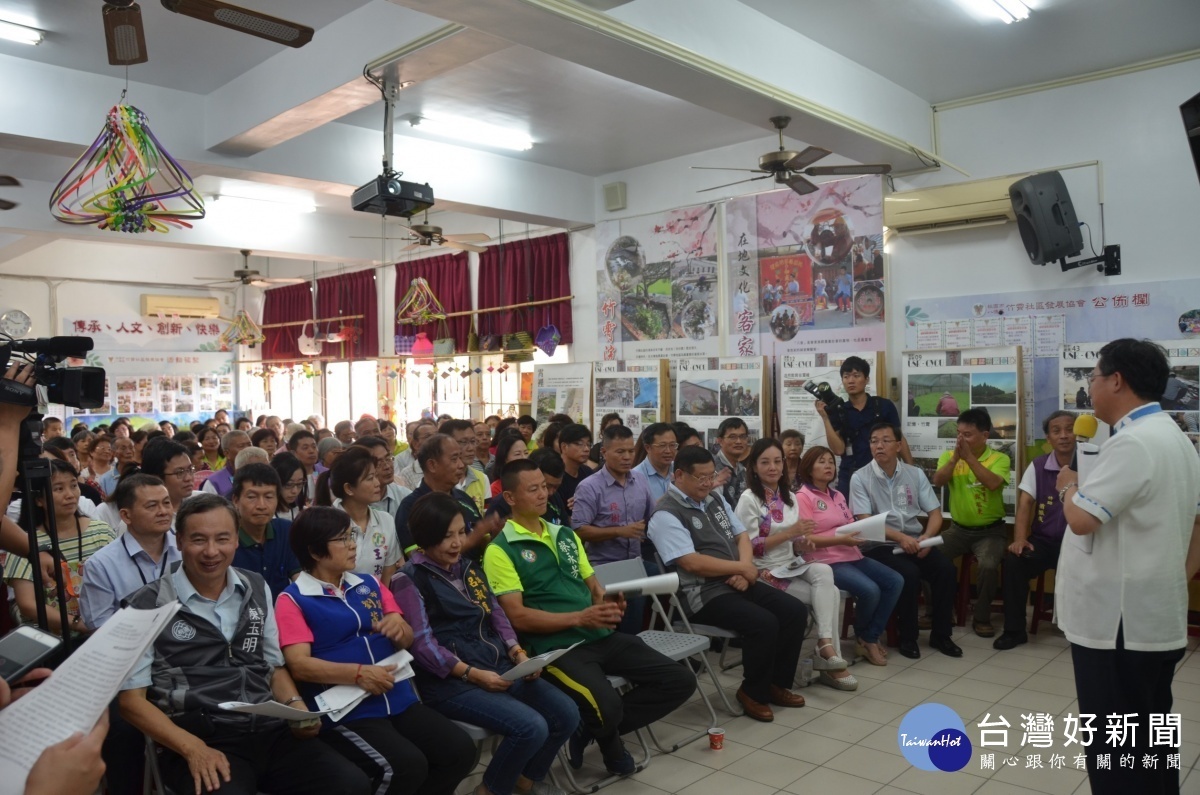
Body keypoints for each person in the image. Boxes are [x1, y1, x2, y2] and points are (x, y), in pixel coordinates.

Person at [119, 495, 370, 795]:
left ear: (236, 540)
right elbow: (131, 701)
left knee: (350, 784)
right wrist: (193, 749)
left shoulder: (255, 586)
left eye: (222, 538)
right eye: (198, 540)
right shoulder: (145, 605)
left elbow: (273, 666)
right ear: (180, 540)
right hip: (200, 736)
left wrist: (297, 708)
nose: (211, 551)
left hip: (269, 728)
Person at [1053, 339, 1200, 794]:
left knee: (1116, 752)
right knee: (1149, 741)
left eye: (1093, 378)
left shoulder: (1134, 443)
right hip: (1150, 613)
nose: (1090, 388)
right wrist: (1173, 577)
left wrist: (1067, 486)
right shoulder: (1175, 436)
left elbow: (1080, 520)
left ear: (1117, 380)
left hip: (1117, 625)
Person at [485, 460, 695, 775]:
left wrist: (607, 602)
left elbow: (594, 587)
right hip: (555, 648)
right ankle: (610, 744)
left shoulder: (564, 535)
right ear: (511, 498)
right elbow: (518, 617)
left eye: (545, 486)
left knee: (680, 680)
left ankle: (591, 729)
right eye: (533, 489)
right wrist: (581, 617)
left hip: (598, 635)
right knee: (606, 704)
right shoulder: (500, 550)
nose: (544, 494)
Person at [277, 506, 475, 795]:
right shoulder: (293, 600)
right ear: (316, 552)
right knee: (406, 765)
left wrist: (400, 628)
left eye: (351, 536)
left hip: (396, 696)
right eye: (342, 539)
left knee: (460, 751)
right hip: (347, 708)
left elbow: (406, 638)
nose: (353, 545)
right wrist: (358, 674)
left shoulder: (368, 584)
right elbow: (299, 665)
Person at [392, 493, 577, 795]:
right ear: (424, 538)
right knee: (531, 727)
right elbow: (424, 646)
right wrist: (472, 674)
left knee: (566, 713)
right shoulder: (409, 580)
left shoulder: (467, 567)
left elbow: (497, 614)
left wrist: (516, 652)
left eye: (461, 533)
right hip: (452, 682)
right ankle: (490, 789)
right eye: (446, 536)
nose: (456, 543)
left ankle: (525, 778)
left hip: (497, 666)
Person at [648, 446, 809, 721]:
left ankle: (776, 684)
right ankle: (752, 692)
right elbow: (691, 563)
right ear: (679, 475)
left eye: (711, 476)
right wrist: (743, 568)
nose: (708, 483)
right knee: (764, 622)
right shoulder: (666, 514)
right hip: (702, 593)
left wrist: (745, 571)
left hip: (738, 579)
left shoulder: (714, 499)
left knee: (794, 611)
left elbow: (742, 536)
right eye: (701, 477)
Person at [734, 439, 856, 691]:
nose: (773, 467)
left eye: (777, 461)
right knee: (831, 593)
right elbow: (749, 545)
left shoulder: (789, 496)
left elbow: (795, 540)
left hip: (790, 564)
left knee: (823, 570)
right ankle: (829, 656)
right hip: (763, 570)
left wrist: (802, 543)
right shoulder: (749, 499)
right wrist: (791, 534)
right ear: (754, 467)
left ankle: (825, 646)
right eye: (765, 462)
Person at [849, 423, 961, 659]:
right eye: (874, 441)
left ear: (899, 446)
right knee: (908, 574)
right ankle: (907, 637)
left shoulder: (915, 473)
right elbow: (865, 520)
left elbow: (935, 514)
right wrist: (901, 538)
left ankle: (942, 635)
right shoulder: (860, 478)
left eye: (885, 440)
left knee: (946, 570)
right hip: (879, 545)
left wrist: (926, 538)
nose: (879, 445)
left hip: (915, 541)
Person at [796, 446, 902, 667]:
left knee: (895, 580)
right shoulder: (803, 497)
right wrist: (841, 539)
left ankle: (868, 636)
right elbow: (806, 539)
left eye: (831, 462)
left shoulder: (837, 494)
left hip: (852, 553)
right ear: (808, 467)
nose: (828, 466)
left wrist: (862, 531)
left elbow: (848, 524)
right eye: (821, 462)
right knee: (870, 590)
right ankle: (867, 639)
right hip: (827, 561)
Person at [4, 459, 116, 638]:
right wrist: (78, 624)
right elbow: (27, 603)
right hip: (49, 639)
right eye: (59, 489)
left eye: (74, 485)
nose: (70, 494)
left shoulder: (101, 532)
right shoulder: (24, 543)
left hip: (102, 631)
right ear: (39, 499)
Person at [993, 411, 1075, 651]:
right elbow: (1025, 504)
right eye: (1056, 431)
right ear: (1047, 438)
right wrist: (1019, 539)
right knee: (1014, 562)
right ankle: (1015, 630)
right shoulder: (1038, 465)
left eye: (1069, 429)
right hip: (1045, 541)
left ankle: (1088, 630)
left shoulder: (1092, 463)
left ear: (1078, 433)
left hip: (1081, 543)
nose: (1063, 436)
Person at [571, 424, 658, 634]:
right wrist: (620, 531)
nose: (627, 457)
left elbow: (652, 516)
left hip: (635, 561)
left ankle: (657, 641)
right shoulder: (590, 486)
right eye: (620, 452)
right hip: (604, 565)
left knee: (674, 579)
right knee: (634, 601)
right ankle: (631, 648)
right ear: (604, 452)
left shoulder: (640, 481)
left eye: (630, 451)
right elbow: (579, 531)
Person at [931, 408, 1010, 638]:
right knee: (929, 554)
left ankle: (982, 617)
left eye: (968, 434)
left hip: (990, 532)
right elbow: (938, 481)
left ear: (985, 436)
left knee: (987, 565)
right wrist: (956, 458)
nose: (961, 439)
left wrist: (969, 459)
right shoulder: (949, 457)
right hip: (957, 530)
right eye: (959, 433)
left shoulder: (999, 458)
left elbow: (993, 483)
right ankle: (937, 611)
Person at [394, 435, 503, 558]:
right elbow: (417, 557)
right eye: (454, 459)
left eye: (460, 458)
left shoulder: (464, 498)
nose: (461, 465)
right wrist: (473, 538)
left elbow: (484, 543)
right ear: (432, 465)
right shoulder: (411, 506)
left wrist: (496, 534)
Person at [820, 356, 912, 497]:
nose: (851, 380)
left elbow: (900, 439)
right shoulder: (839, 411)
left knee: (887, 516)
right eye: (846, 376)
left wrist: (910, 471)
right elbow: (838, 449)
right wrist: (825, 418)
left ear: (867, 379)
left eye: (856, 376)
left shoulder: (884, 406)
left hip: (884, 473)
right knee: (852, 518)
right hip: (851, 475)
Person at [315, 447, 403, 583]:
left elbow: (387, 575)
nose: (377, 483)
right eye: (369, 478)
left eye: (375, 476)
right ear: (349, 488)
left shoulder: (386, 521)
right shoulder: (326, 525)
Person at [231, 463, 301, 596]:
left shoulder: (285, 530)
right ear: (236, 500)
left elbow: (298, 577)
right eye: (252, 497)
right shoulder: (226, 539)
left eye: (269, 497)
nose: (261, 506)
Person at [441, 419, 491, 514]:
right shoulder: (436, 481)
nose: (471, 448)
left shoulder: (482, 479)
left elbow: (485, 517)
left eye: (473, 441)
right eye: (463, 442)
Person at [354, 436, 412, 516]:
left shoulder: (405, 496)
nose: (387, 466)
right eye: (378, 462)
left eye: (388, 458)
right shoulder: (349, 503)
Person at [632, 422, 676, 502]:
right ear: (648, 448)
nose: (668, 451)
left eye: (672, 445)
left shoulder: (680, 470)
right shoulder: (635, 477)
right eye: (662, 445)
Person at [201, 430, 252, 499]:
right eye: (241, 446)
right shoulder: (213, 482)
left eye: (249, 444)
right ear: (227, 453)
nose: (248, 449)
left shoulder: (262, 474)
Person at [712, 417, 750, 507]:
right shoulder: (713, 468)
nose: (738, 441)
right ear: (720, 441)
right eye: (732, 437)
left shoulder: (743, 469)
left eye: (742, 437)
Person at [556, 424, 594, 508]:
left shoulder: (588, 473)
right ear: (564, 447)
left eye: (588, 444)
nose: (586, 449)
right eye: (580, 444)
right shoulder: (555, 476)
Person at [396, 422, 439, 490]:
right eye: (427, 436)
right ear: (416, 444)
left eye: (437, 435)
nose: (435, 439)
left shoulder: (447, 466)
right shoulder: (407, 474)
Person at [489, 431, 530, 498]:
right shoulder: (496, 488)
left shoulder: (533, 481)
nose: (524, 457)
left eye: (526, 453)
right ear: (505, 458)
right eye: (517, 454)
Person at [272, 452, 307, 521]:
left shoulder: (304, 514)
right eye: (288, 484)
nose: (295, 491)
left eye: (299, 484)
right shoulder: (267, 517)